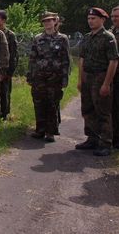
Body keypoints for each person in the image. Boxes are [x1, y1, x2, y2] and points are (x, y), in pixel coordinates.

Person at [76, 7, 119, 156]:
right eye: (89, 18)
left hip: (101, 77)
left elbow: (113, 61)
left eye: (93, 18)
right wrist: (80, 79)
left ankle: (106, 143)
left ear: (102, 20)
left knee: (103, 111)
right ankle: (92, 138)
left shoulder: (108, 37)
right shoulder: (87, 37)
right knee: (87, 109)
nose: (90, 21)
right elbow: (81, 59)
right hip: (87, 77)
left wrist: (107, 83)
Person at [26, 12, 70, 142]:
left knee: (52, 103)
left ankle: (50, 132)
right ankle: (40, 130)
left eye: (50, 21)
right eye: (45, 21)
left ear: (55, 22)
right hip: (39, 77)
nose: (47, 23)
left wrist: (65, 77)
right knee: (39, 102)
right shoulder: (38, 38)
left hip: (55, 77)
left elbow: (66, 59)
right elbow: (32, 58)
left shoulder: (62, 39)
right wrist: (30, 75)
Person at [0, 10, 19, 120]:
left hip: (5, 68)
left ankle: (4, 114)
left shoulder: (10, 35)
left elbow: (14, 55)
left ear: (3, 21)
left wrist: (10, 72)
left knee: (4, 92)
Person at [111, 5, 119, 149]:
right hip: (111, 76)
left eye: (116, 17)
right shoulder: (111, 32)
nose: (113, 19)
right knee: (112, 107)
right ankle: (113, 136)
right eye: (112, 17)